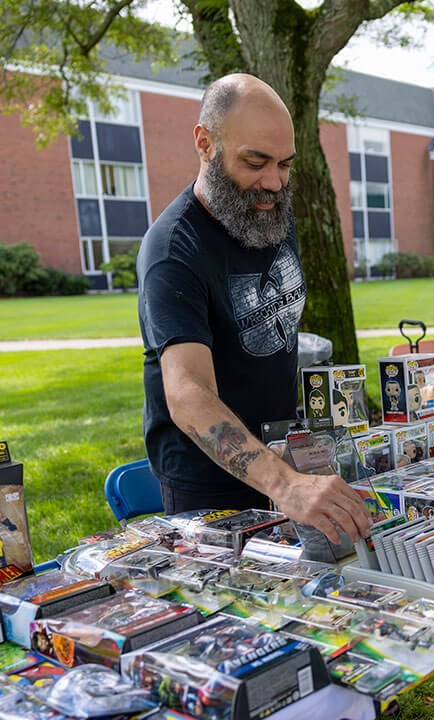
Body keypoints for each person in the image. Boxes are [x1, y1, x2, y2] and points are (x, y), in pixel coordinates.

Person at [136, 73, 370, 545]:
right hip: (209, 488)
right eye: (255, 161)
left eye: (285, 164)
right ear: (205, 143)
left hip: (285, 464)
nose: (273, 182)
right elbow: (186, 391)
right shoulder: (173, 251)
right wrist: (285, 484)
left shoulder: (269, 213)